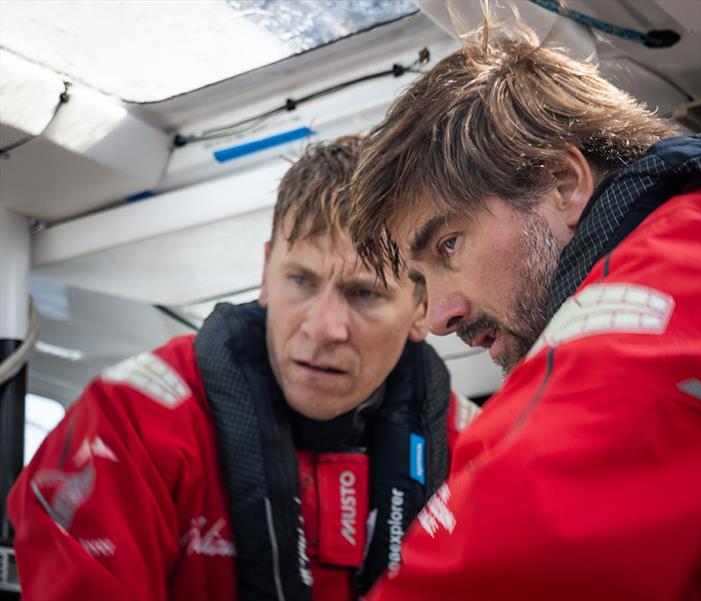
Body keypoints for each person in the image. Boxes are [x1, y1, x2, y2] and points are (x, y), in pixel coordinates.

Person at [346, 15, 701, 601]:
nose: (438, 318)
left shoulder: (685, 277)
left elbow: (503, 550)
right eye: (419, 281)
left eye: (449, 246)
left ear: (563, 183)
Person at [7, 136, 480, 601]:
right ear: (266, 274)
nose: (323, 328)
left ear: (423, 307)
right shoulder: (129, 423)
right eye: (301, 280)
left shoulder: (475, 456)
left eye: (364, 294)